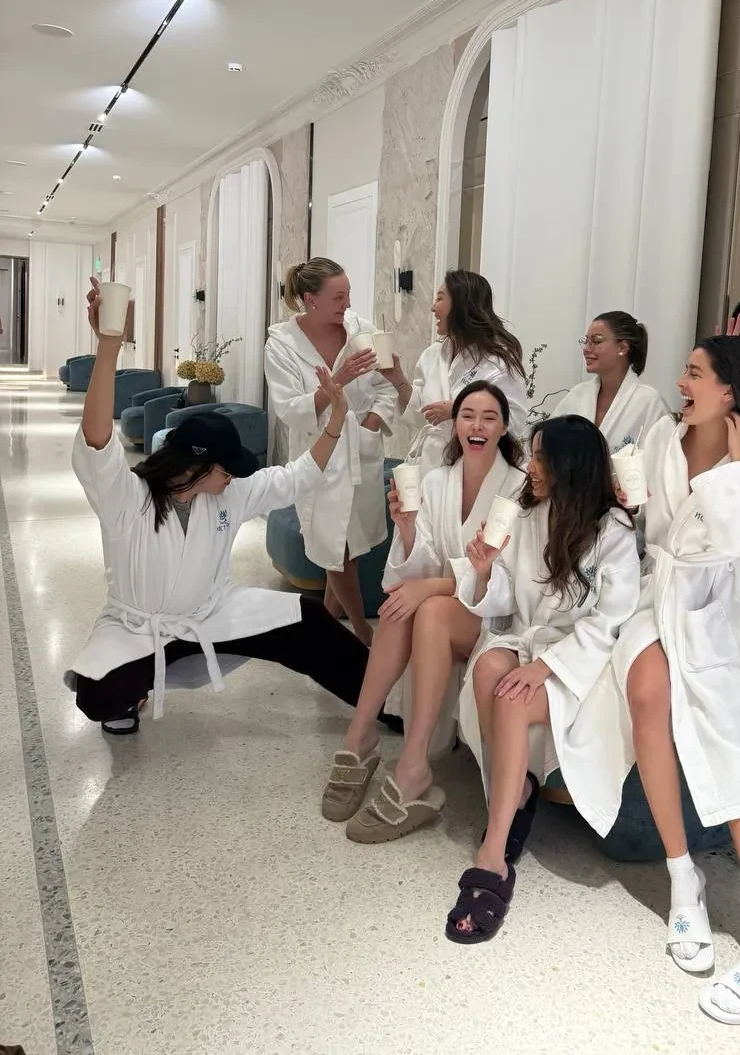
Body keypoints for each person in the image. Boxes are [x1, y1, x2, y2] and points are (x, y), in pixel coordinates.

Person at [69, 278, 397, 735]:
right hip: (137, 628)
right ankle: (132, 690)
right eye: (228, 468)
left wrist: (337, 421)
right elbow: (97, 440)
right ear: (199, 465)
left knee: (308, 620)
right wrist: (109, 346)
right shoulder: (126, 497)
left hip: (211, 613)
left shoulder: (230, 492)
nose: (235, 477)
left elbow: (297, 476)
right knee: (97, 694)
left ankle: (386, 701)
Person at [588, 336, 740, 1024]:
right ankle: (683, 874)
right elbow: (648, 522)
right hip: (661, 598)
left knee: (738, 760)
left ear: (731, 390)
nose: (681, 382)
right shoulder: (662, 437)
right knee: (646, 689)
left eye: (694, 373)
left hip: (723, 613)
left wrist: (733, 469)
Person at [445, 414, 642, 943]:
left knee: (511, 699)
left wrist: (546, 667)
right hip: (530, 640)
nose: (529, 467)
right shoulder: (528, 515)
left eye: (539, 457)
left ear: (568, 465)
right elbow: (505, 599)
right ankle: (515, 794)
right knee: (488, 669)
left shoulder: (613, 530)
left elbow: (611, 620)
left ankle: (493, 852)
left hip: (584, 659)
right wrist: (485, 570)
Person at [320, 381, 527, 841]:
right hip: (449, 605)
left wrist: (432, 586)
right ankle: (360, 734)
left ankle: (413, 765)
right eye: (467, 415)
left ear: (504, 428)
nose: (477, 425)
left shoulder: (519, 488)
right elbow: (421, 563)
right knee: (401, 605)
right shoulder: (436, 481)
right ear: (455, 424)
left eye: (489, 417)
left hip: (495, 614)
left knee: (427, 608)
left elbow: (511, 577)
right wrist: (409, 528)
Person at [264, 258, 400, 646]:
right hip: (317, 458)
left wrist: (371, 423)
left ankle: (322, 631)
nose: (347, 303)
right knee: (334, 549)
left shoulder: (362, 332)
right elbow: (290, 409)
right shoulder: (282, 346)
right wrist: (337, 381)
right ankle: (362, 635)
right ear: (311, 300)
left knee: (348, 547)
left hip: (360, 451)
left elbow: (387, 387)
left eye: (348, 294)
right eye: (338, 296)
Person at [388, 270, 528, 471]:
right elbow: (423, 416)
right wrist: (398, 379)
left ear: (461, 305)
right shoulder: (433, 355)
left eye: (439, 298)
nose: (433, 307)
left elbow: (513, 422)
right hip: (431, 466)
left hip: (476, 469)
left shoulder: (498, 362)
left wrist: (459, 409)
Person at [552, 310, 668, 450]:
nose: (586, 349)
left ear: (622, 348)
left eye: (596, 341)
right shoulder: (578, 395)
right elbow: (548, 442)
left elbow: (661, 457)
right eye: (586, 341)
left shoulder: (650, 402)